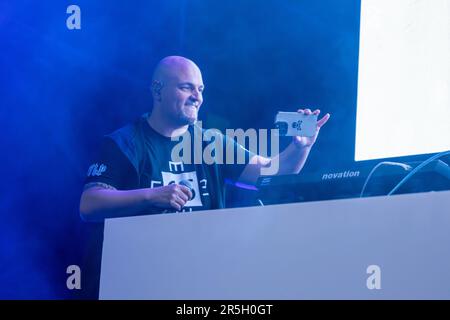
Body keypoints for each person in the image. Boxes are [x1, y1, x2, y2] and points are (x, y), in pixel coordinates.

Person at [79, 56, 330, 221]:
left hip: (206, 267)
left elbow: (276, 171)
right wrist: (153, 195)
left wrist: (301, 148)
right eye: (186, 87)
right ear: (157, 90)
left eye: (200, 90)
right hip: (146, 270)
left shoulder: (211, 142)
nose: (197, 97)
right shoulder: (125, 142)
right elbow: (89, 204)